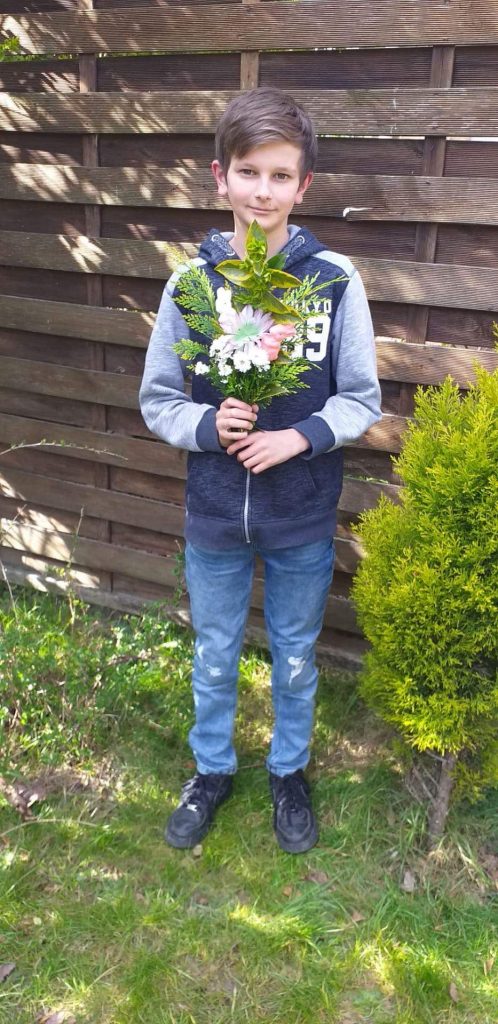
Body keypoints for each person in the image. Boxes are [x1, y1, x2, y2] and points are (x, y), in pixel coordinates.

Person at [139, 87, 382, 854]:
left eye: (281, 175)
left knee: (296, 653)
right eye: (249, 172)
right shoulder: (190, 285)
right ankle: (211, 769)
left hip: (301, 513)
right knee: (214, 652)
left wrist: (299, 438)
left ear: (303, 185)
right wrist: (208, 428)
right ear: (221, 177)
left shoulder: (333, 281)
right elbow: (158, 398)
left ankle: (289, 770)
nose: (263, 191)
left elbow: (361, 398)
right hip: (215, 513)